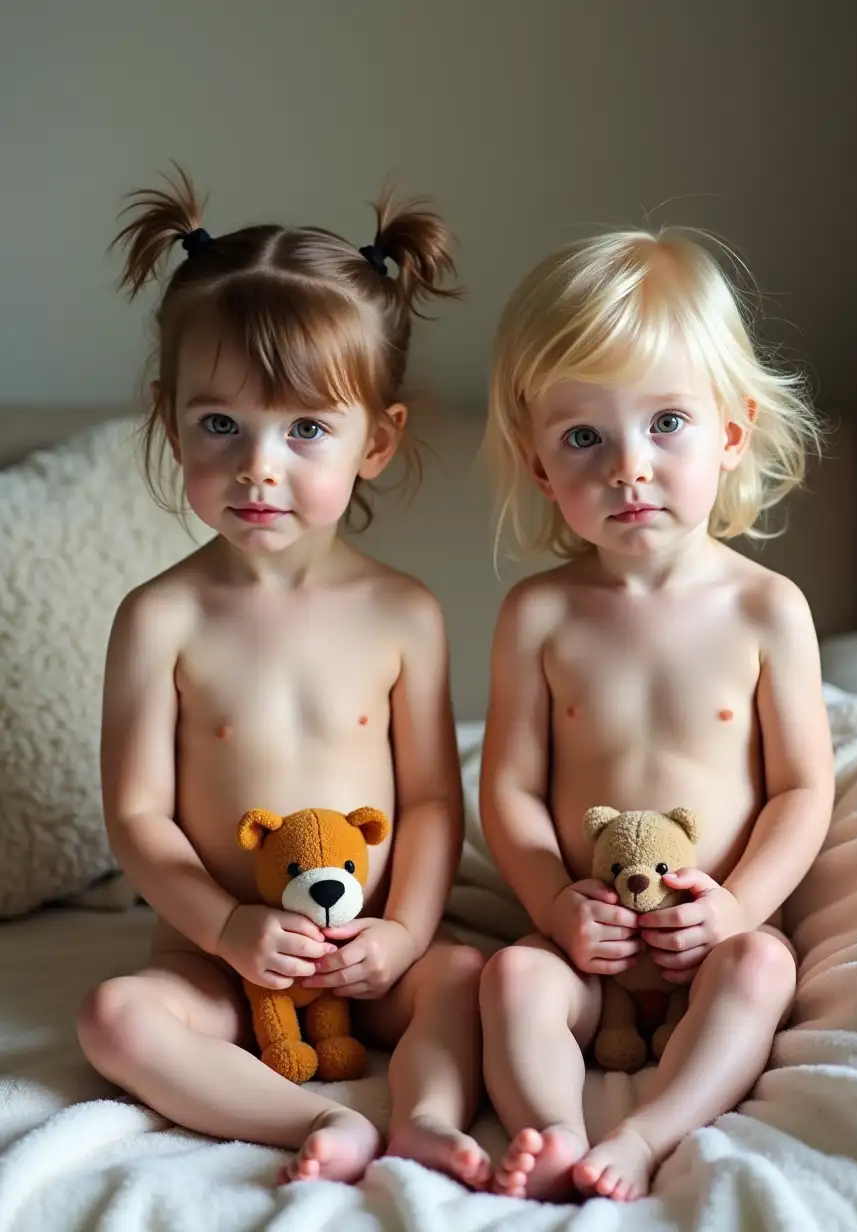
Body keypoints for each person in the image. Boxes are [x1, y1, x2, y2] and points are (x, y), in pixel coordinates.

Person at [77, 166, 490, 1190]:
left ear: (378, 439)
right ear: (172, 422)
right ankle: (313, 1116)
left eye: (306, 428)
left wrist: (400, 933)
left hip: (365, 954)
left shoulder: (404, 612)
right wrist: (226, 928)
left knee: (465, 977)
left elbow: (434, 797)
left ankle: (427, 1116)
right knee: (113, 1016)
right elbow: (137, 814)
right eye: (222, 424)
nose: (259, 464)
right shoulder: (159, 618)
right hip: (218, 956)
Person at [477, 227, 835, 1202]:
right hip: (582, 940)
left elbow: (803, 787)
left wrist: (737, 904)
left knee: (763, 969)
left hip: (708, 930)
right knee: (509, 979)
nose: (626, 466)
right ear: (541, 465)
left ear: (729, 431)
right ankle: (551, 1131)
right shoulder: (539, 614)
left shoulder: (767, 608)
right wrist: (554, 902)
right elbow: (507, 785)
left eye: (665, 423)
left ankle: (642, 1132)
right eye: (583, 436)